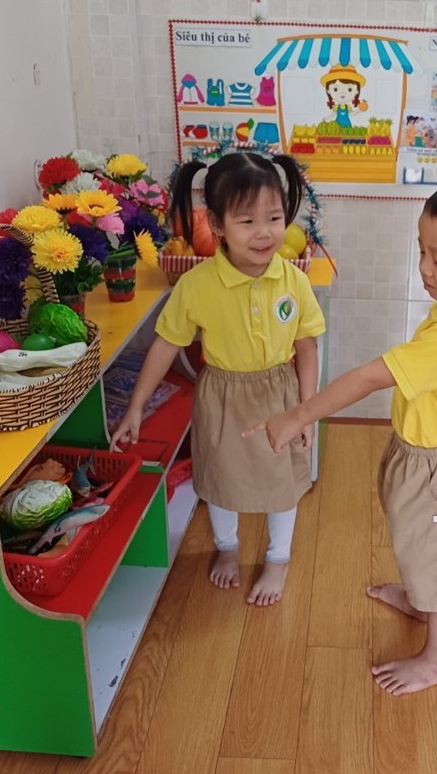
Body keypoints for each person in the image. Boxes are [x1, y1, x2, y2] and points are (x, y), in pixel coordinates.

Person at [246, 170, 437, 694]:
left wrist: (297, 416)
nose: (423, 268)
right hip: (420, 453)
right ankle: (420, 599)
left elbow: (368, 377)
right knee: (417, 540)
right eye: (422, 251)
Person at [109, 152, 325, 607]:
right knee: (221, 482)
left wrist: (307, 410)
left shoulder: (294, 280)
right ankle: (227, 547)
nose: (264, 232)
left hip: (280, 394)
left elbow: (307, 346)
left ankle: (278, 558)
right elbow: (165, 345)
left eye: (274, 218)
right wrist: (135, 407)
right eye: (247, 221)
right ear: (216, 224)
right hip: (222, 398)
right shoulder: (196, 284)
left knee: (282, 484)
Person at [322, 63, 368, 129]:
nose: (342, 93)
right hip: (337, 126)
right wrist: (326, 119)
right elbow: (333, 115)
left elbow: (351, 114)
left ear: (357, 91)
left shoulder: (348, 107)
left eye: (349, 89)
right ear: (328, 91)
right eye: (335, 89)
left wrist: (359, 110)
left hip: (347, 126)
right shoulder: (336, 107)